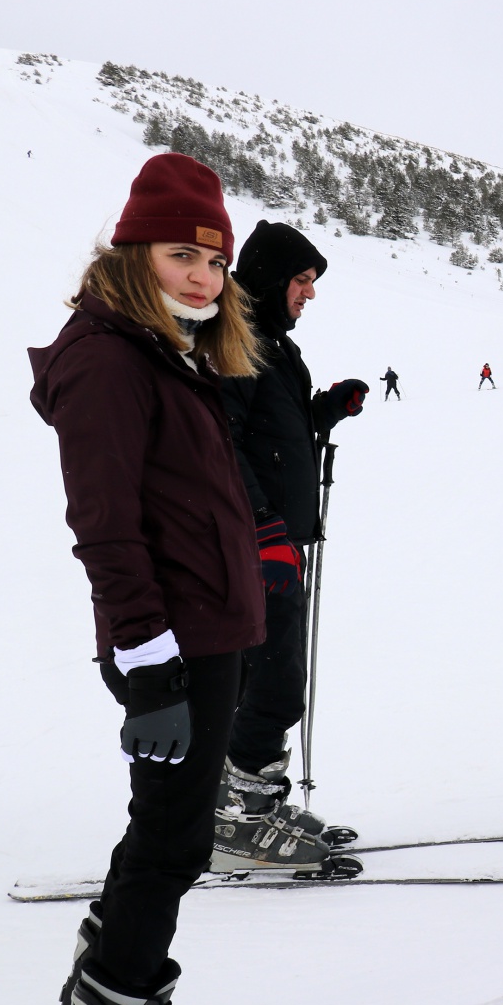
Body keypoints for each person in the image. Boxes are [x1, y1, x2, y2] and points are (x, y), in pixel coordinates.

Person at [28, 152, 270, 1005]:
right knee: (173, 839)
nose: (203, 277)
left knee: (168, 828)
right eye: (182, 255)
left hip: (202, 632)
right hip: (170, 642)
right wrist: (149, 663)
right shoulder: (108, 361)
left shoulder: (167, 350)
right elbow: (107, 526)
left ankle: (109, 983)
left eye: (215, 262)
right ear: (135, 254)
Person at [216, 220, 368, 869]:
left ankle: (251, 801)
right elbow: (220, 444)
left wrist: (324, 409)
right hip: (257, 546)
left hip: (276, 543)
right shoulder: (235, 341)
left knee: (264, 677)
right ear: (271, 279)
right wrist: (264, 530)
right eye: (301, 280)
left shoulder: (272, 344)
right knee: (274, 681)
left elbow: (269, 430)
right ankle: (239, 818)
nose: (310, 292)